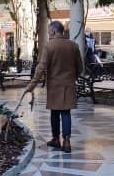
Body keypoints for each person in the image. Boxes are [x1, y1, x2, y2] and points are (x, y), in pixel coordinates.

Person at [25, 20, 83, 152]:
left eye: (48, 31)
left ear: (53, 31)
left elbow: (41, 68)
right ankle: (66, 142)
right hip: (68, 85)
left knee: (55, 112)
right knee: (66, 112)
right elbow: (80, 67)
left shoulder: (49, 46)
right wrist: (72, 77)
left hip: (55, 86)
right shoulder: (73, 46)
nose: (48, 33)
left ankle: (56, 139)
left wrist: (31, 85)